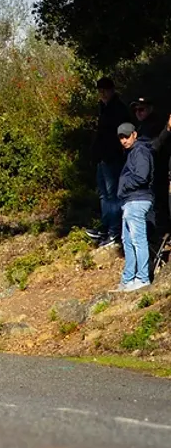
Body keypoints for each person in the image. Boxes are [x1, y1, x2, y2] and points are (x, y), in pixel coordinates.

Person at [87, 77, 131, 248]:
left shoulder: (118, 109)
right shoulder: (103, 108)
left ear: (112, 90)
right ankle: (105, 227)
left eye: (105, 90)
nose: (102, 94)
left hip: (113, 157)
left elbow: (121, 134)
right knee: (104, 194)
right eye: (100, 90)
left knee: (113, 196)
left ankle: (114, 231)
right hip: (102, 157)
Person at [114, 123, 154, 292]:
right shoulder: (132, 153)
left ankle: (142, 278)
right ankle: (128, 279)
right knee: (127, 241)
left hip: (138, 200)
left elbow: (142, 176)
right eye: (121, 137)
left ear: (134, 135)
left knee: (138, 240)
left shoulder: (140, 151)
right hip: (130, 201)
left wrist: (123, 185)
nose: (124, 140)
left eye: (127, 136)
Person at [130, 97, 169, 238]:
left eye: (141, 109)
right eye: (136, 110)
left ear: (150, 108)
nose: (138, 112)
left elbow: (153, 147)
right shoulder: (142, 126)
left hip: (156, 171)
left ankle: (159, 235)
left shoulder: (156, 125)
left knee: (157, 204)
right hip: (145, 173)